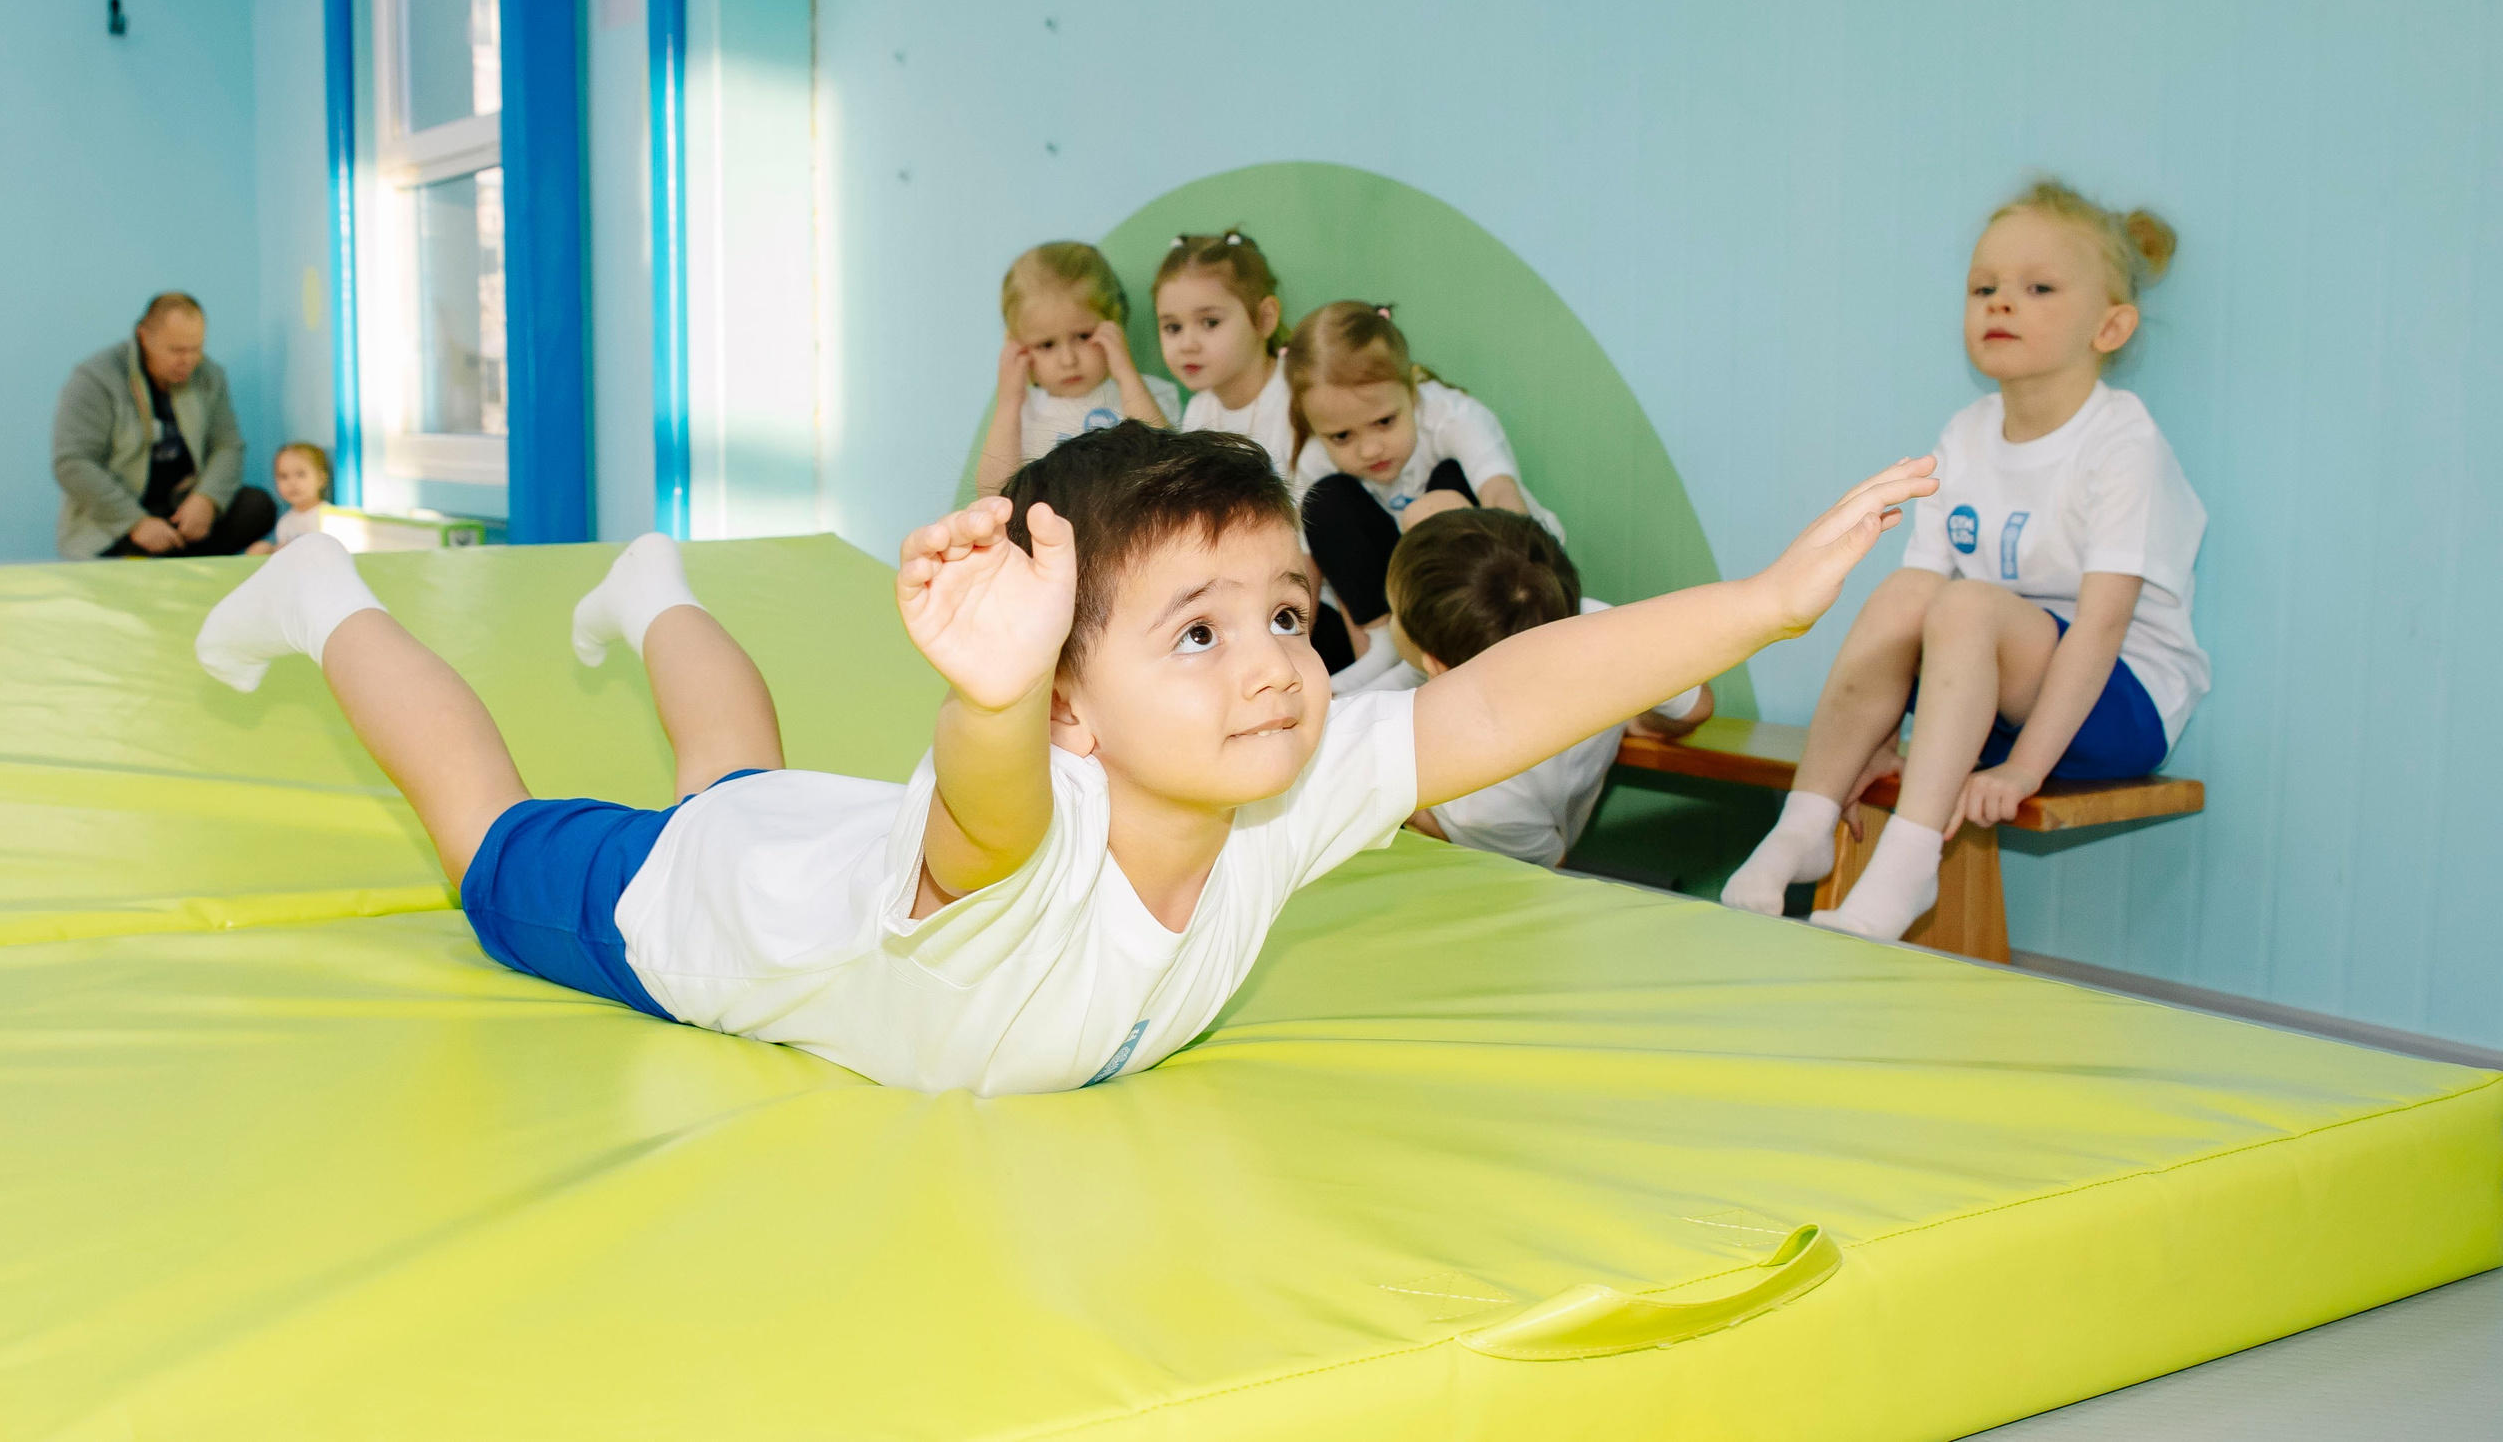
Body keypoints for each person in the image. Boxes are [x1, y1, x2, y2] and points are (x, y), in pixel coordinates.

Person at [193, 421, 1934, 1096]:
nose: (1271, 663)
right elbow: (995, 806)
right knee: (493, 839)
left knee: (739, 772)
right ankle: (324, 597)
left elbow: (1498, 699)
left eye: (1281, 611)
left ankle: (655, 590)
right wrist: (995, 695)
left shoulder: (1275, 785)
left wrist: (1765, 607)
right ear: (1075, 704)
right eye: (1198, 630)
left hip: (817, 842)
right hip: (704, 917)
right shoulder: (1017, 816)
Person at [1722, 179, 2207, 940]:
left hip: (2115, 702)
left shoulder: (2123, 444)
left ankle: (1909, 867)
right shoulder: (1967, 432)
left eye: (2038, 287)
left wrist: (2024, 770)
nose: (2000, 303)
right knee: (1910, 591)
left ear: (2109, 327)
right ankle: (1805, 822)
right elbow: (1917, 618)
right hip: (1995, 694)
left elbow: (2102, 629)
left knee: (1965, 601)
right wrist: (1880, 732)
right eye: (1984, 287)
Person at [1372, 508, 1714, 868]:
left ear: (1438, 666)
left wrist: (1416, 811)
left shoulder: (1480, 797)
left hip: (1516, 860)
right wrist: (1639, 718)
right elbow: (1698, 707)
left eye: (1394, 613)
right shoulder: (1600, 625)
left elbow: (1550, 870)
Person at [1283, 301, 1559, 678]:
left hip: (1495, 566)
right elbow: (1305, 564)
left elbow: (1500, 496)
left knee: (1446, 481)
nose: (1369, 449)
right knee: (1324, 502)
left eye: (1384, 421)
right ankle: (1384, 647)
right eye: (1342, 436)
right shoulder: (1316, 458)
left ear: (1412, 393)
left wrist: (1530, 593)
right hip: (1402, 583)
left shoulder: (1453, 418)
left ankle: (1468, 643)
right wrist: (1291, 648)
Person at [53, 292, 276, 559]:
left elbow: (227, 446)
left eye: (197, 348)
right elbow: (73, 463)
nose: (189, 360)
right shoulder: (95, 379)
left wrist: (208, 499)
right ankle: (151, 561)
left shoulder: (209, 376)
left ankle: (164, 562)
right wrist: (134, 522)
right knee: (126, 546)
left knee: (257, 506)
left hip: (181, 511)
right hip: (121, 519)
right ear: (144, 337)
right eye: (177, 350)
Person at [975, 242, 1181, 496]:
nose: (1068, 360)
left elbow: (1166, 468)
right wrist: (1008, 404)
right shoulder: (1020, 416)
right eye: (1046, 344)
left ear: (1114, 322)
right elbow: (992, 494)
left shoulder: (1149, 395)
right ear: (1018, 346)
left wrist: (1127, 376)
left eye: (1083, 336)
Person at [1154, 230, 1295, 477]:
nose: (1187, 345)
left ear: (1264, 319)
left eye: (1210, 322)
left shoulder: (1297, 398)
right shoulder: (1200, 410)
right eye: (1173, 327)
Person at [249, 442, 334, 555]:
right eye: (284, 476)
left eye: (301, 474)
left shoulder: (330, 518)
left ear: (321, 479)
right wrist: (270, 550)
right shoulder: (285, 522)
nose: (292, 482)